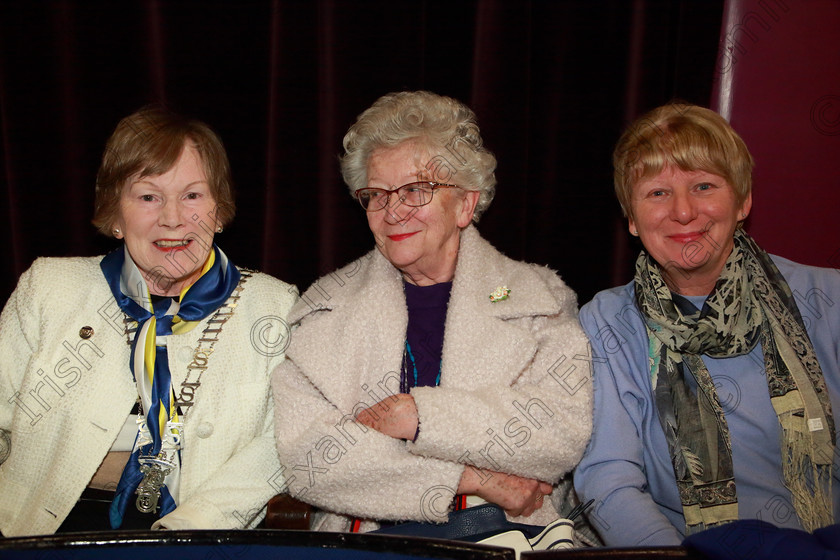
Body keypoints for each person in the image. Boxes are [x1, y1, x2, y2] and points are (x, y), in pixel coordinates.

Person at [271, 91, 592, 534]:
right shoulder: (325, 309)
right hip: (365, 542)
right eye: (377, 194)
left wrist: (420, 417)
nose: (394, 211)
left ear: (464, 204)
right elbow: (308, 459)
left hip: (512, 534)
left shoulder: (537, 300)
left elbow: (561, 432)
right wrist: (470, 478)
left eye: (416, 190)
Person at [0, 107, 297, 536]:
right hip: (43, 530)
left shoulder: (274, 305)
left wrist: (194, 526)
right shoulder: (50, 288)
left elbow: (280, 444)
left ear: (219, 208)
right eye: (147, 197)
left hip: (194, 533)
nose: (173, 218)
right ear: (116, 215)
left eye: (193, 195)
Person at [574, 103, 840, 547]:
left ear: (743, 200)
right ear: (632, 219)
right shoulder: (608, 322)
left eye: (703, 185)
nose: (683, 212)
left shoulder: (828, 299)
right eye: (657, 193)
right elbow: (608, 481)